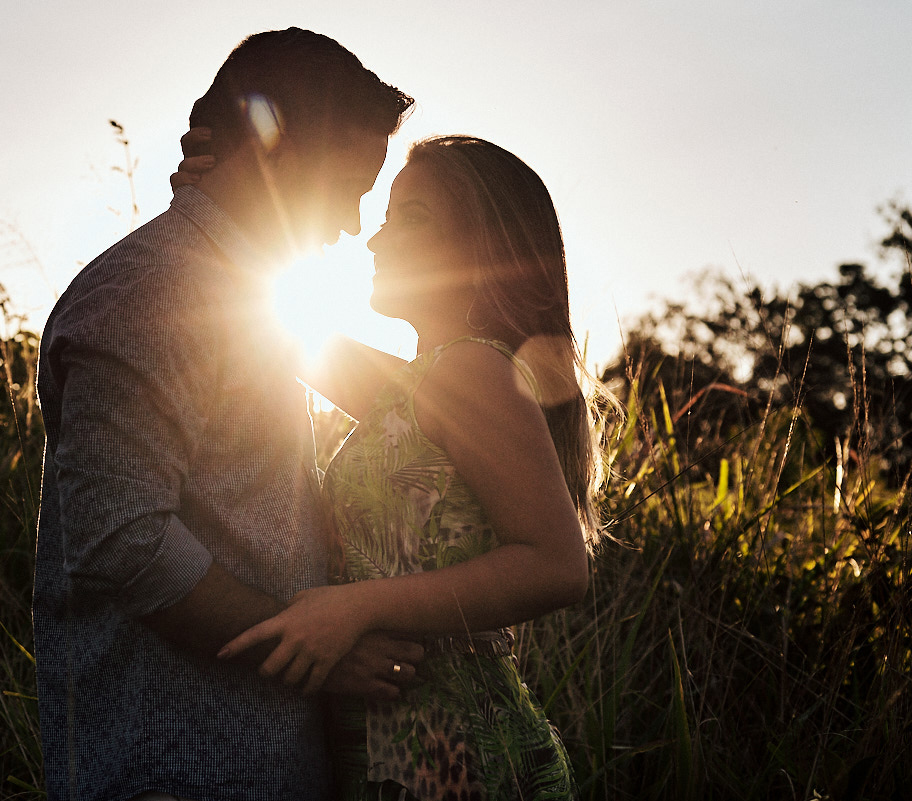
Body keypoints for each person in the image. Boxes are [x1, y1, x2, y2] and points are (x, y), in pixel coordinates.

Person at [33, 28, 426, 801]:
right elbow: (126, 543)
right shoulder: (148, 292)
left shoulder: (237, 296)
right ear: (273, 142)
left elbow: (403, 404)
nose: (351, 223)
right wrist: (313, 645)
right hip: (174, 769)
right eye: (344, 183)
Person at [178, 134, 605, 799]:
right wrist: (217, 198)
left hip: (462, 758)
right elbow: (279, 328)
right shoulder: (418, 384)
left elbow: (557, 563)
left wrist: (354, 607)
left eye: (412, 217)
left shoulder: (473, 369)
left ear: (481, 247)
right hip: (405, 752)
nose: (376, 240)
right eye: (385, 216)